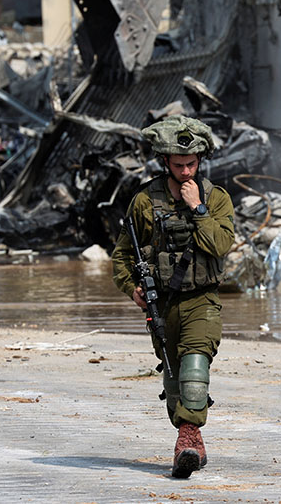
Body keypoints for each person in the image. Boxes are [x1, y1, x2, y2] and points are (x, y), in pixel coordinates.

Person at [111, 115, 235, 479]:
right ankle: (192, 440)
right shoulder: (144, 202)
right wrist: (130, 287)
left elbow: (220, 244)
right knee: (175, 380)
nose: (185, 171)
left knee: (196, 369)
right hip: (163, 303)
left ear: (200, 162)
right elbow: (122, 255)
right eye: (178, 165)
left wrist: (197, 209)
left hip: (202, 300)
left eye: (191, 164)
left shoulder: (215, 198)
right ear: (165, 162)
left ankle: (187, 437)